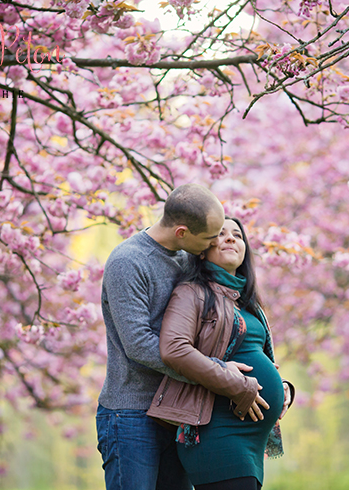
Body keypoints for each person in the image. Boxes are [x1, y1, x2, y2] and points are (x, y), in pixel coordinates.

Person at [97, 183, 231, 490]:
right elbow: (139, 345)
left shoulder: (187, 257)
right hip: (132, 414)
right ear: (182, 232)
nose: (214, 244)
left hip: (177, 411)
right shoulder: (128, 262)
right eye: (210, 238)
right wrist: (209, 373)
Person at [147, 217, 295, 490]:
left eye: (237, 235)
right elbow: (174, 350)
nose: (230, 238)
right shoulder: (192, 293)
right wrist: (238, 386)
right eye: (221, 234)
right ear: (202, 249)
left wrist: (280, 386)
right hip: (217, 432)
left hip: (249, 439)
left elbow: (254, 355)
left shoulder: (248, 302)